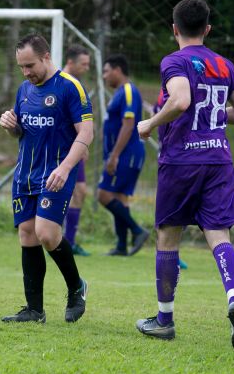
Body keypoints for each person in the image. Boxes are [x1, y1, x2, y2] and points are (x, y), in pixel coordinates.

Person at [135, 0, 234, 351]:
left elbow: (181, 101)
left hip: (181, 162)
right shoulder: (224, 64)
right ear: (207, 29)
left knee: (168, 235)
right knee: (219, 234)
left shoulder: (174, 61)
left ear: (174, 29)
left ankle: (164, 320)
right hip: (218, 160)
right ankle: (233, 297)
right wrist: (212, 114)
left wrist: (150, 124)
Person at [0, 34, 94, 323]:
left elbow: (86, 133)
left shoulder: (70, 87)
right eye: (21, 67)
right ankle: (34, 310)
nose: (26, 72)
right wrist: (10, 125)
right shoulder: (24, 90)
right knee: (27, 234)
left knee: (47, 233)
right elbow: (21, 131)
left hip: (56, 174)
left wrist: (65, 168)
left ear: (46, 57)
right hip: (25, 174)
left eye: (30, 65)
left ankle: (76, 287)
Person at [97, 54, 148, 256]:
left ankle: (137, 231)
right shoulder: (120, 93)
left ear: (117, 70)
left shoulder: (128, 91)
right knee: (119, 197)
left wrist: (114, 155)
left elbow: (128, 125)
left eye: (106, 71)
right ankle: (121, 245)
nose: (104, 76)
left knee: (103, 195)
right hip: (124, 154)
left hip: (127, 154)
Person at [152, 89, 189, 271]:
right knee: (170, 209)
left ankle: (169, 252)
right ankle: (166, 252)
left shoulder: (177, 91)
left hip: (180, 156)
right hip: (174, 157)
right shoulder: (173, 92)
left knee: (178, 208)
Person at [61, 45, 92, 257]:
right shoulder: (60, 84)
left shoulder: (77, 85)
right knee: (61, 193)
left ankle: (69, 242)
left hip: (75, 147)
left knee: (79, 192)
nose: (86, 68)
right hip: (62, 148)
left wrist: (83, 144)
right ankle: (56, 240)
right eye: (84, 64)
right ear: (70, 62)